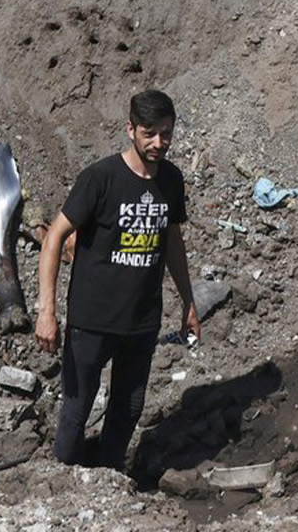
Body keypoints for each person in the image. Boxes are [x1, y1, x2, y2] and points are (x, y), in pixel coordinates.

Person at [34, 89, 201, 469]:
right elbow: (55, 237)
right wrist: (47, 311)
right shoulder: (100, 178)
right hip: (92, 321)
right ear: (130, 129)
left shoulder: (171, 180)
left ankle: (110, 479)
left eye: (166, 133)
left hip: (141, 322)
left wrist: (188, 302)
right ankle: (63, 481)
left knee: (129, 406)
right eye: (150, 134)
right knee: (76, 410)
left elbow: (172, 240)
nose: (159, 143)